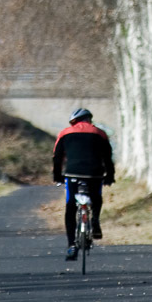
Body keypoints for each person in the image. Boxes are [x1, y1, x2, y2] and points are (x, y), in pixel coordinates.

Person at [52, 107, 114, 260]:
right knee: (96, 197)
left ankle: (71, 246)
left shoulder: (65, 133)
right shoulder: (100, 134)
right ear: (89, 119)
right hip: (95, 173)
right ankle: (95, 221)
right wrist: (109, 176)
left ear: (73, 121)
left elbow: (57, 157)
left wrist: (57, 176)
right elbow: (108, 158)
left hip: (72, 173)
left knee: (71, 207)